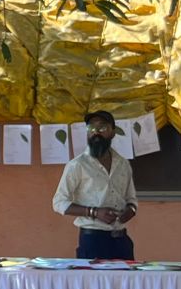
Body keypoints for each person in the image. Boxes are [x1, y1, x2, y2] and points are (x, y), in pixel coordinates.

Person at [52, 110, 139, 258]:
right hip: (93, 241)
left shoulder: (123, 164)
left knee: (126, 274)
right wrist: (94, 212)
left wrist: (130, 210)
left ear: (113, 132)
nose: (96, 132)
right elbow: (58, 202)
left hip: (121, 240)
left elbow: (131, 199)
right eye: (91, 128)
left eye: (102, 128)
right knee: (92, 275)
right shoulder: (77, 165)